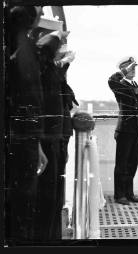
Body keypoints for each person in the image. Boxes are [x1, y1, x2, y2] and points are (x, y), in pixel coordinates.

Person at [5, 6, 47, 241]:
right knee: (23, 205)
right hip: (22, 141)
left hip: (23, 139)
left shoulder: (19, 48)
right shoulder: (25, 52)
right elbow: (31, 100)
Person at [34, 30, 73, 240]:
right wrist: (65, 60)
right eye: (60, 46)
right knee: (48, 200)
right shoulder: (45, 71)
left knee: (55, 199)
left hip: (58, 141)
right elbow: (52, 76)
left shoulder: (53, 72)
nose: (64, 51)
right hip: (48, 143)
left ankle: (53, 238)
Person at [108, 56, 138, 205]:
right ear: (123, 69)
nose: (133, 70)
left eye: (133, 67)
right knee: (122, 164)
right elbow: (111, 80)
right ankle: (120, 195)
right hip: (124, 130)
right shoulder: (120, 84)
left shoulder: (135, 85)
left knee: (132, 163)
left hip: (135, 130)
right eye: (130, 68)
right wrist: (125, 71)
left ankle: (129, 193)